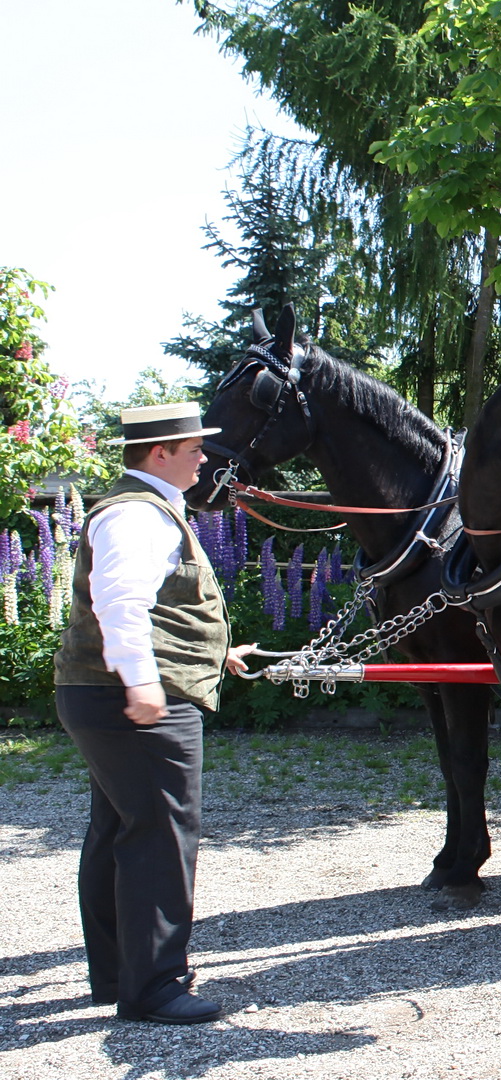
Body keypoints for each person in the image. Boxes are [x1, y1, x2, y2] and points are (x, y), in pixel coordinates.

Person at [53, 402, 256, 1024]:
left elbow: (157, 611)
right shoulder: (137, 516)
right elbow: (121, 604)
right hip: (133, 702)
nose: (204, 457)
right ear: (159, 453)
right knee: (161, 838)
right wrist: (143, 685)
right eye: (194, 448)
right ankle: (155, 988)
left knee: (119, 831)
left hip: (105, 695)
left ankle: (120, 976)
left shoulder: (143, 509)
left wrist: (217, 651)